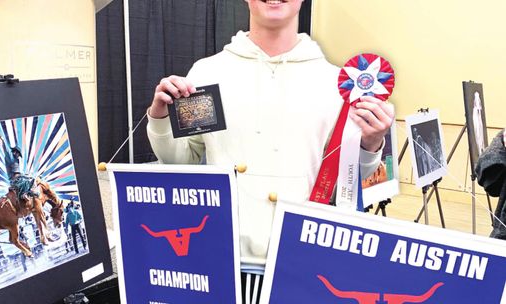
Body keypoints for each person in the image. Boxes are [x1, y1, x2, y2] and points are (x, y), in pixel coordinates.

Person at [146, 1, 394, 302]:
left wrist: (371, 144)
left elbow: (349, 181)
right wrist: (160, 119)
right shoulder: (207, 72)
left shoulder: (336, 83)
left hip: (303, 263)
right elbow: (181, 160)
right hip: (221, 258)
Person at [0, 135, 36, 201]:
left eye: (19, 154)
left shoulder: (17, 160)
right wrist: (3, 141)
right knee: (25, 182)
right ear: (14, 152)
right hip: (15, 180)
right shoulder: (10, 158)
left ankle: (29, 192)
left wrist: (25, 175)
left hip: (20, 177)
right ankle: (24, 194)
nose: (18, 155)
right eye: (17, 153)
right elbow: (6, 150)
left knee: (32, 179)